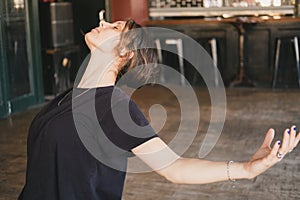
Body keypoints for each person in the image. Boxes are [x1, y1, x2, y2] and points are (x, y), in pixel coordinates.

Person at [18, 18, 300, 200]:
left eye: (115, 27)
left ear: (125, 53)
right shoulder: (68, 95)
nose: (103, 21)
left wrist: (246, 169)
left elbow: (174, 168)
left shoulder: (117, 108)